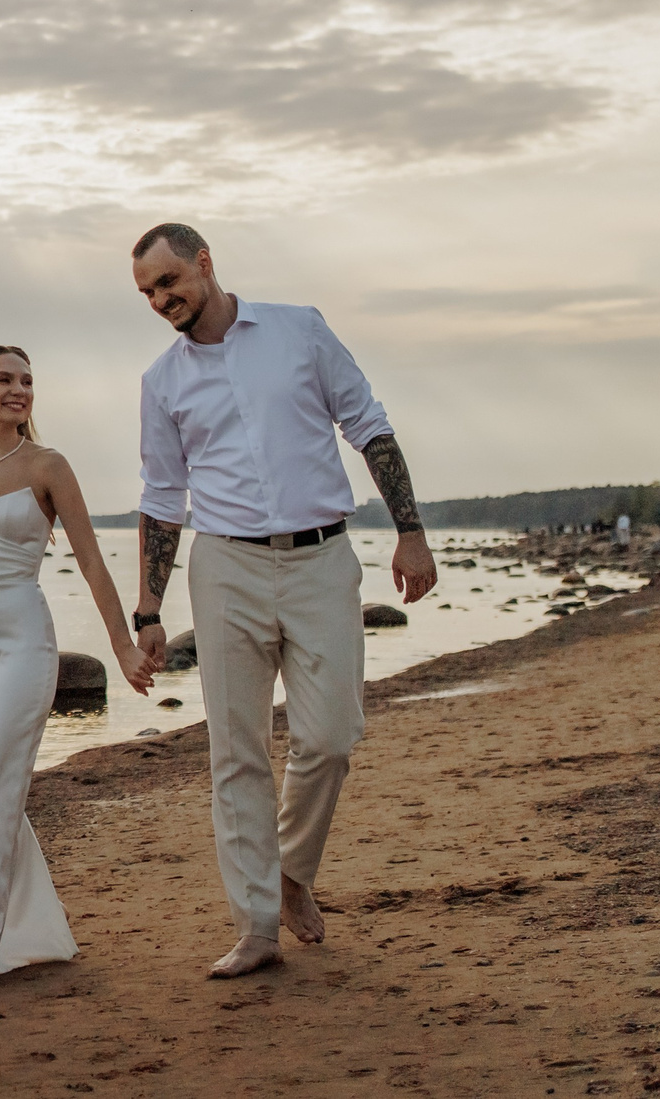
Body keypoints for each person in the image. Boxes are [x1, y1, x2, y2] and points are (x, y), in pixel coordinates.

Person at [126, 223, 437, 980]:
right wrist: (149, 608)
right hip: (225, 566)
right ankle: (256, 925)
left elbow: (369, 425)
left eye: (169, 281)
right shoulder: (161, 383)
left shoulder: (300, 329)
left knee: (330, 734)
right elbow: (164, 499)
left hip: (323, 558)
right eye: (147, 293)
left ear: (204, 262)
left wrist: (412, 533)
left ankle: (293, 869)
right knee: (236, 754)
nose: (162, 300)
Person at [0, 343, 153, 995]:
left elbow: (94, 561)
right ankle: (21, 928)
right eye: (5, 379)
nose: (19, 389)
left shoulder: (48, 465)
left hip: (21, 640)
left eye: (28, 380)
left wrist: (124, 646)